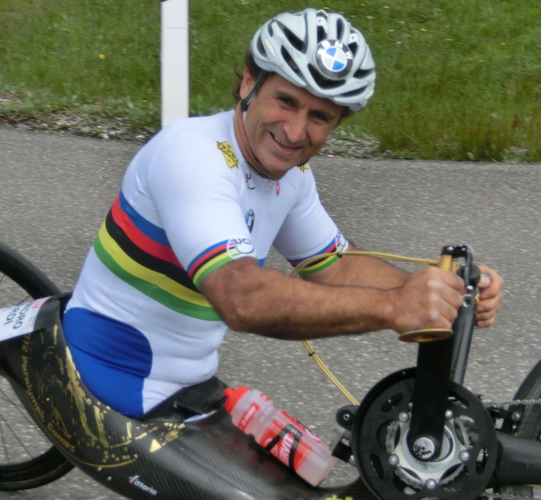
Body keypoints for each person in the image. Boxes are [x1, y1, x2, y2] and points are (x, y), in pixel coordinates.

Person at [62, 8, 503, 419]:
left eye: (319, 117)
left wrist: (438, 292)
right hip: (113, 375)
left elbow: (335, 266)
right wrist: (394, 306)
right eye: (286, 101)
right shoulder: (191, 153)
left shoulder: (291, 178)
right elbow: (241, 298)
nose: (295, 132)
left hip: (189, 385)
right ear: (249, 83)